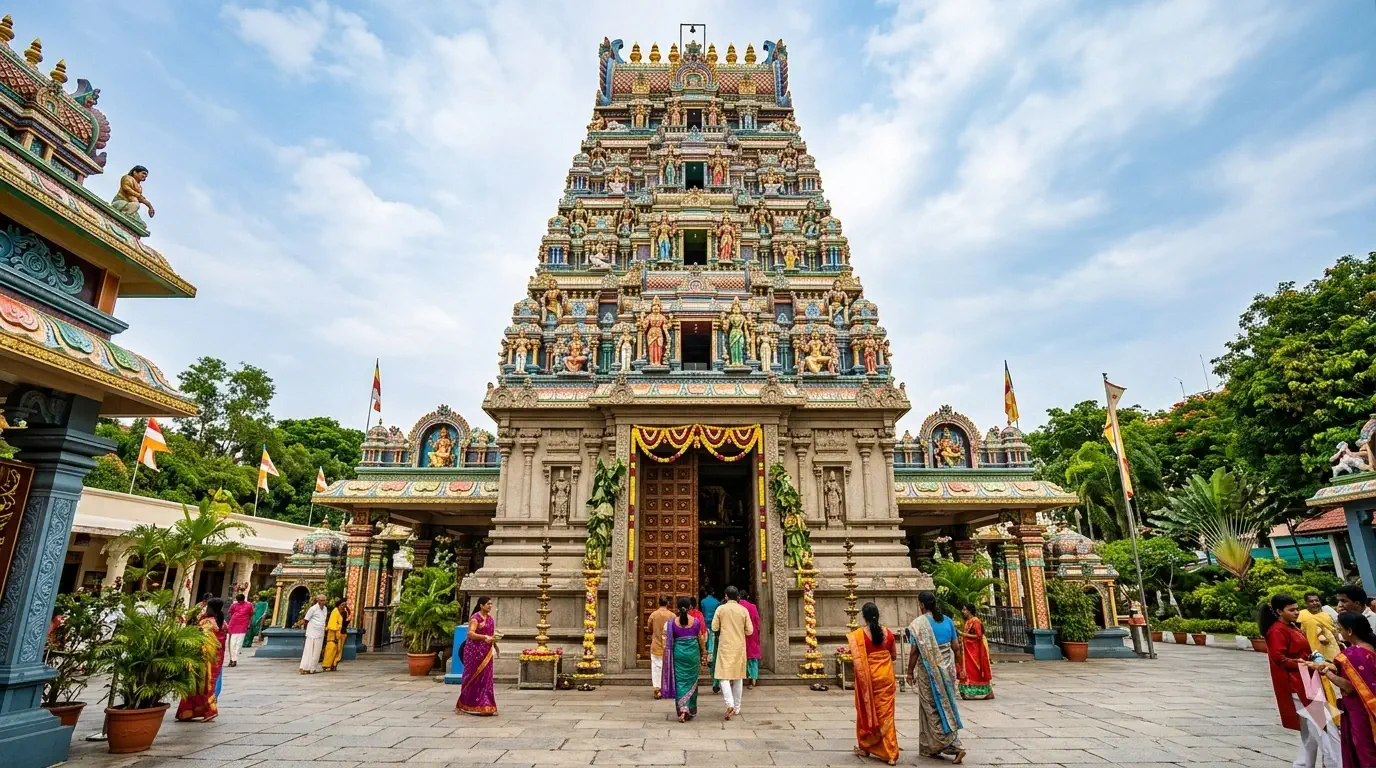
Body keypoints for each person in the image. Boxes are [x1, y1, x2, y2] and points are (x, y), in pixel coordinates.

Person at [1262, 593, 1340, 767]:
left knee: (1311, 730)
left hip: (1306, 679)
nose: (1297, 612)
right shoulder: (1277, 631)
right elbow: (1279, 658)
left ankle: (1303, 764)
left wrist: (1312, 658)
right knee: (1323, 726)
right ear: (1279, 611)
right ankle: (1335, 762)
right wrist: (1304, 663)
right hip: (1297, 684)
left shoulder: (1291, 627)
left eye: (1297, 609)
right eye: (1291, 610)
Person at [906, 591, 966, 763]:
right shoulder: (947, 621)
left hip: (928, 672)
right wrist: (960, 668)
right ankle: (929, 747)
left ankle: (955, 746)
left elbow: (914, 652)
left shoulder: (919, 624)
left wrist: (910, 673)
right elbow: (956, 647)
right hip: (947, 672)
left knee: (931, 708)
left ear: (922, 605)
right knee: (946, 706)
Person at [1321, 611, 1376, 766]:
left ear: (1350, 631)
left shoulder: (1352, 653)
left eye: (1340, 629)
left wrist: (1328, 674)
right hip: (1370, 706)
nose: (1339, 633)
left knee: (1365, 748)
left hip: (1360, 708)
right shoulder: (1370, 648)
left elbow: (1350, 687)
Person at [850, 602, 899, 765]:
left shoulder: (859, 635)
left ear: (863, 617)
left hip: (869, 680)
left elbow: (856, 659)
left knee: (868, 711)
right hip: (886, 678)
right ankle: (891, 753)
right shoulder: (889, 634)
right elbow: (893, 656)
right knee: (886, 716)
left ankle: (866, 746)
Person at [176, 597, 226, 722]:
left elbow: (200, 638)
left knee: (201, 684)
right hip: (216, 658)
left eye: (208, 607)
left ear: (212, 609)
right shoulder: (222, 621)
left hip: (204, 657)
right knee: (209, 683)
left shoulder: (207, 622)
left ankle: (209, 710)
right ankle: (197, 710)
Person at [660, 596, 707, 722]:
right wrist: (704, 652)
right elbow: (701, 638)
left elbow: (666, 640)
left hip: (679, 654)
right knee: (692, 681)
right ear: (690, 607)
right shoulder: (696, 621)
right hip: (693, 654)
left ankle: (683, 709)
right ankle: (689, 708)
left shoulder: (672, 623)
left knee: (680, 681)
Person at [711, 585, 754, 720]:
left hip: (725, 646)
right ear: (738, 597)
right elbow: (750, 631)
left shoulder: (721, 609)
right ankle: (736, 707)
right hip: (739, 647)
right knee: (738, 677)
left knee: (723, 676)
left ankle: (729, 703)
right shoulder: (743, 610)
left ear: (725, 596)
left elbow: (714, 627)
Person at [457, 596, 500, 716]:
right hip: (474, 653)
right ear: (481, 605)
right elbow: (470, 634)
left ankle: (487, 705)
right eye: (487, 604)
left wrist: (495, 645)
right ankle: (469, 704)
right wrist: (483, 637)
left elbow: (490, 634)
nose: (490, 606)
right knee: (473, 678)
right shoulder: (475, 618)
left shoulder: (490, 619)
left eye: (491, 604)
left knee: (486, 679)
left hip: (486, 653)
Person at [957, 603, 994, 700]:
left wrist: (963, 634)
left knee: (975, 670)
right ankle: (967, 691)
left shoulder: (976, 621)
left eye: (964, 609)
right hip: (967, 650)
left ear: (969, 611)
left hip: (975, 650)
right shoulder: (968, 621)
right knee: (968, 670)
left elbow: (979, 636)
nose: (963, 611)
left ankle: (987, 691)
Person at [647, 596, 675, 699]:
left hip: (656, 645)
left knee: (656, 668)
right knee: (667, 668)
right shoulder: (672, 615)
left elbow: (649, 628)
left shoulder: (653, 615)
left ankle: (657, 689)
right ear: (667, 603)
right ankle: (667, 688)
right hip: (668, 646)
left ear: (658, 603)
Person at [299, 594, 328, 675]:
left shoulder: (325, 609)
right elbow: (306, 620)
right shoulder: (313, 609)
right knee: (309, 649)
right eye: (321, 600)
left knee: (317, 650)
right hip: (311, 632)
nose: (323, 602)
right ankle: (304, 667)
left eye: (324, 600)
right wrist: (306, 631)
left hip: (320, 631)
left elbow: (324, 620)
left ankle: (312, 668)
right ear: (318, 601)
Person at [739, 590, 762, 689]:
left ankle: (737, 677)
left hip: (740, 633)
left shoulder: (737, 607)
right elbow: (757, 622)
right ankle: (753, 679)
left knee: (741, 656)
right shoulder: (752, 607)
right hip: (752, 634)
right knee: (752, 656)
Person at [225, 593, 253, 667]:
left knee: (236, 643)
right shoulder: (236, 605)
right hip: (235, 625)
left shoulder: (247, 605)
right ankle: (232, 659)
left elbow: (231, 613)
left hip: (240, 625)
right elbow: (231, 613)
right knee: (234, 643)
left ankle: (234, 659)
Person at [322, 600, 348, 672]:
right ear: (338, 605)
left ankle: (334, 664)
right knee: (331, 649)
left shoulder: (344, 613)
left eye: (345, 605)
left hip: (341, 633)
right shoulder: (335, 612)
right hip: (333, 634)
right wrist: (336, 632)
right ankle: (326, 665)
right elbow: (331, 625)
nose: (343, 607)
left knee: (338, 651)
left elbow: (346, 622)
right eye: (342, 605)